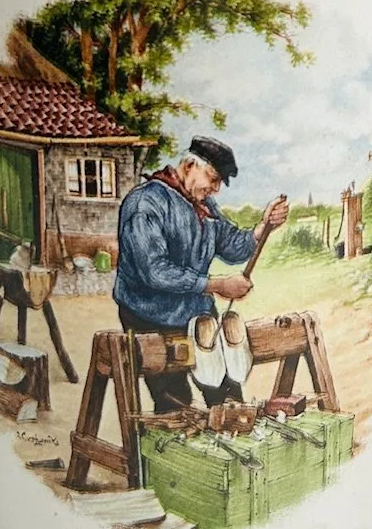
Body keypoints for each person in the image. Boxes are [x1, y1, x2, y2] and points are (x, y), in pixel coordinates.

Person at [113, 136, 288, 412]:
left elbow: (233, 245)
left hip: (198, 316)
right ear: (190, 165)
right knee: (176, 408)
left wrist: (263, 227)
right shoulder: (144, 204)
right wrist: (217, 285)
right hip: (150, 316)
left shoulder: (205, 207)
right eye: (213, 179)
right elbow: (154, 272)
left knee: (230, 402)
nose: (215, 189)